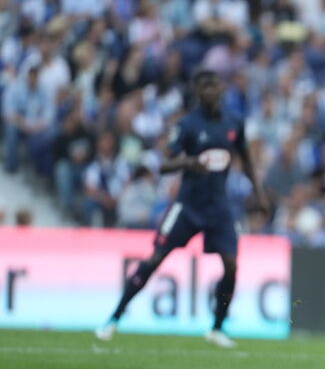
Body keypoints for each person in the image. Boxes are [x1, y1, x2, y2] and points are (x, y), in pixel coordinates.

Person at [96, 70, 269, 348]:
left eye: (214, 85)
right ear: (198, 92)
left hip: (219, 206)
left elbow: (246, 159)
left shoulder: (234, 122)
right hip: (188, 206)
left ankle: (217, 327)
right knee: (155, 259)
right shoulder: (188, 125)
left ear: (220, 89)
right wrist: (188, 163)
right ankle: (114, 317)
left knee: (232, 264)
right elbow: (164, 164)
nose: (211, 91)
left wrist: (259, 194)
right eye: (205, 87)